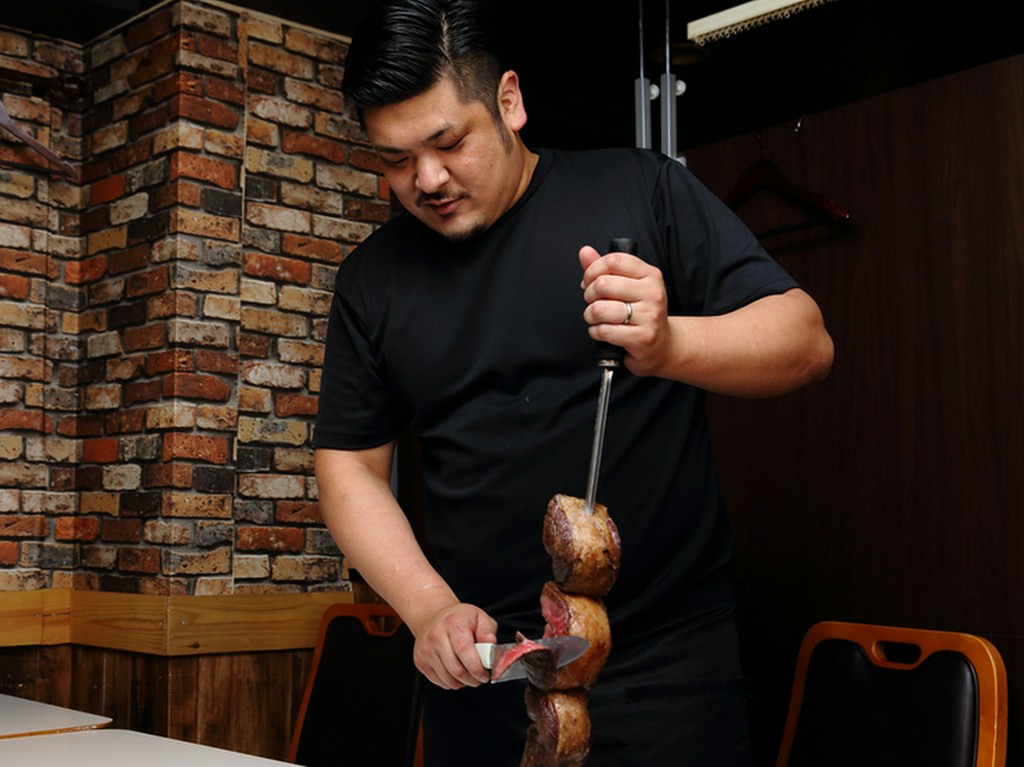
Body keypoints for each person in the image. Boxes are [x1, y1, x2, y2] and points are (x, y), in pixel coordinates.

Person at [312, 1, 834, 764]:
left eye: (448, 142)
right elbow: (349, 469)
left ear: (510, 101)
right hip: (483, 671)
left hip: (664, 669)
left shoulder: (642, 189)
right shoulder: (371, 281)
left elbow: (806, 341)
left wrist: (669, 342)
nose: (427, 179)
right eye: (395, 160)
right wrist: (429, 609)